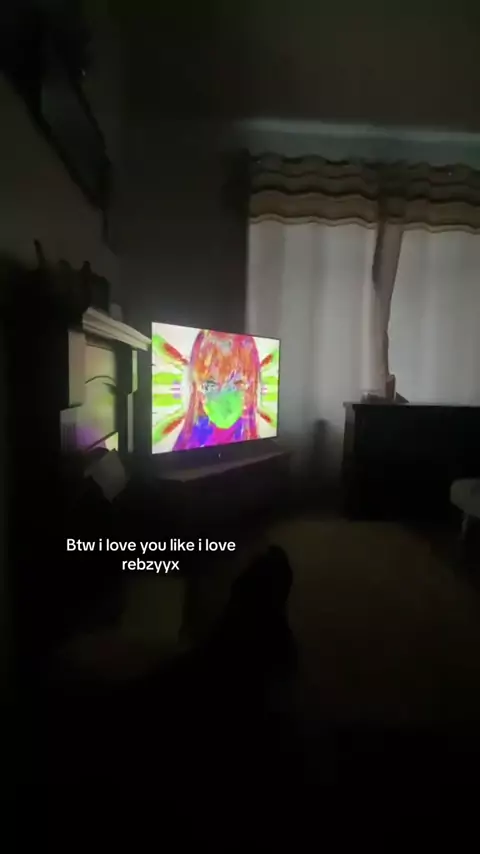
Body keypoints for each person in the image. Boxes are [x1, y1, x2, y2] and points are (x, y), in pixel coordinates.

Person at [174, 330, 261, 450]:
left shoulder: (255, 446)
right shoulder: (186, 448)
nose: (223, 399)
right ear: (198, 391)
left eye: (238, 384)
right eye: (211, 385)